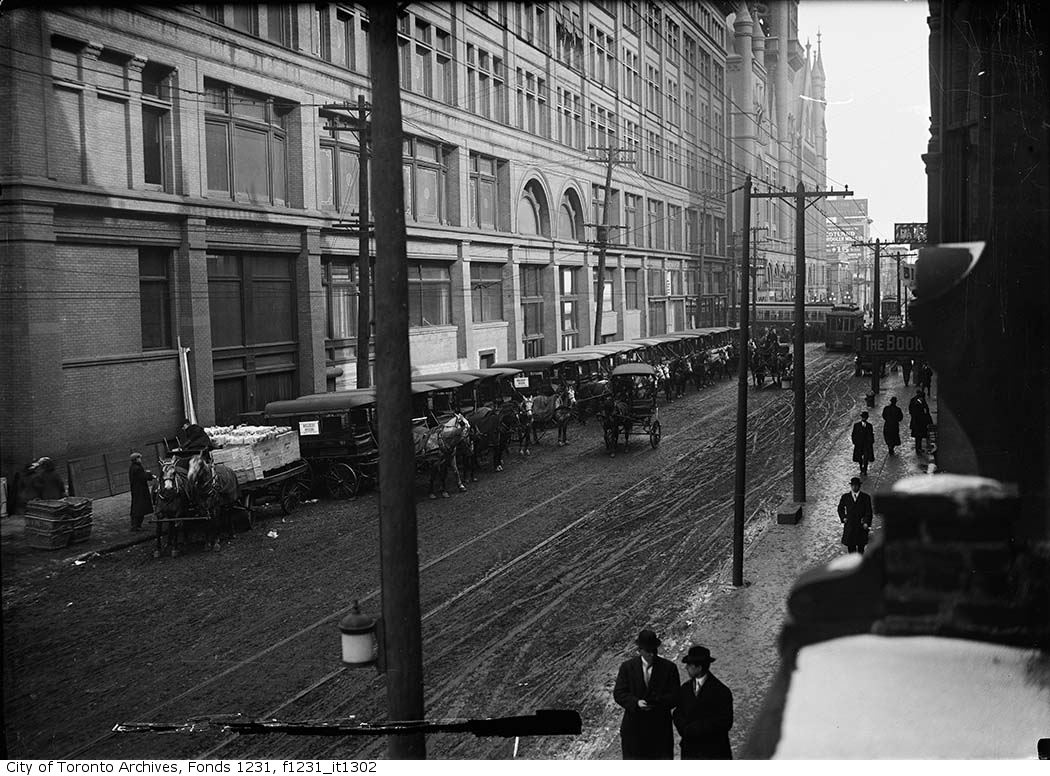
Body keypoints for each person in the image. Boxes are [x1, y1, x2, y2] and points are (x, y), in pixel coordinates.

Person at [613, 628, 680, 759]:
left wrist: (657, 703)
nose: (652, 655)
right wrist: (636, 703)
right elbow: (619, 693)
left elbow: (676, 696)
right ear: (640, 650)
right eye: (648, 651)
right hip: (634, 731)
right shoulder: (627, 667)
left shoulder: (669, 668)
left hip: (659, 731)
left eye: (654, 650)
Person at [672, 645, 734, 760]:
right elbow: (677, 713)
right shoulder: (685, 689)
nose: (686, 668)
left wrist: (696, 728)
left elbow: (725, 722)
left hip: (714, 753)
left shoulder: (721, 692)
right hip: (689, 751)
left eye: (689, 665)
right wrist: (685, 730)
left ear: (699, 667)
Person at [838, 476, 873, 553]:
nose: (854, 487)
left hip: (861, 526)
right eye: (853, 485)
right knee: (851, 548)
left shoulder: (866, 497)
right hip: (850, 525)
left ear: (859, 486)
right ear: (851, 486)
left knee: (861, 548)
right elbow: (840, 508)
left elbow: (869, 511)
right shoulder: (845, 497)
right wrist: (843, 517)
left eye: (856, 485)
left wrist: (866, 522)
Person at [128, 452, 155, 532]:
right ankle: (136, 526)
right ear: (136, 459)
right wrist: (150, 474)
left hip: (136, 490)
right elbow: (142, 477)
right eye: (139, 458)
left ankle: (136, 525)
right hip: (140, 491)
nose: (141, 459)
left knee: (137, 507)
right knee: (140, 508)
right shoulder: (137, 468)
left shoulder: (133, 467)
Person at [851, 410, 875, 476]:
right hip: (859, 444)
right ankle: (861, 467)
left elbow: (871, 434)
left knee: (866, 457)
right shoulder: (856, 425)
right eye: (863, 417)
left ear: (867, 418)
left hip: (866, 444)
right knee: (859, 458)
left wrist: (871, 441)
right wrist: (855, 442)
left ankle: (865, 469)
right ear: (861, 417)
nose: (864, 418)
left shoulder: (869, 426)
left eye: (865, 417)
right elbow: (853, 434)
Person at [908, 388, 932, 454]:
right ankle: (918, 448)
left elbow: (910, 409)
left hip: (915, 421)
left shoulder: (913, 400)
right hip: (920, 421)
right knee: (919, 436)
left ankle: (918, 448)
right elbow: (926, 410)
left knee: (917, 436)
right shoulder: (920, 401)